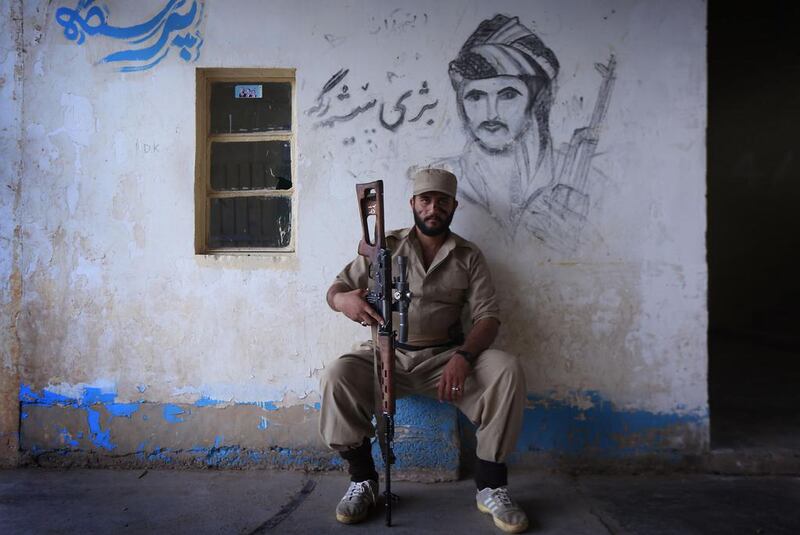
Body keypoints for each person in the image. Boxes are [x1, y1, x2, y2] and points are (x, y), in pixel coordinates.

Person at [319, 168, 529, 533]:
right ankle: (363, 480)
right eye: (426, 200)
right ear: (413, 204)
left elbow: (488, 318)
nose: (434, 208)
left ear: (453, 206)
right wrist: (342, 301)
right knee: (337, 375)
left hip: (446, 360)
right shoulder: (383, 245)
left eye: (442, 201)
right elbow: (336, 287)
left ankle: (491, 485)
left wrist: (463, 358)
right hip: (386, 354)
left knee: (506, 370)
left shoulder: (468, 255)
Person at [437, 14, 592, 251]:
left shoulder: (579, 179)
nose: (491, 113)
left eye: (507, 95)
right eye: (476, 96)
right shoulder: (441, 182)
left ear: (536, 100)